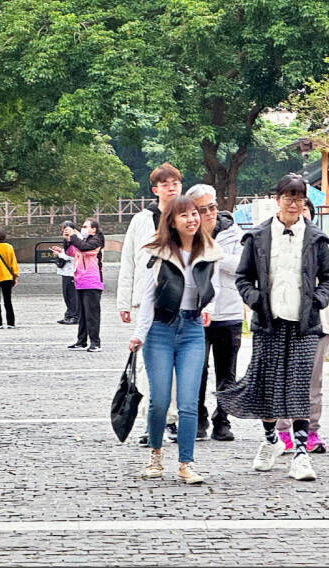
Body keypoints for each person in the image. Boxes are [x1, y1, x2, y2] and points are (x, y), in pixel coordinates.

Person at [218, 173, 329, 481]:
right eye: (289, 197)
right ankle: (271, 440)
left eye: (300, 198)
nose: (294, 204)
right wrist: (255, 299)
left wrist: (317, 301)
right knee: (267, 387)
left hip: (304, 324)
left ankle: (300, 453)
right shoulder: (257, 237)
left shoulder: (315, 237)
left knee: (299, 388)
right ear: (277, 199)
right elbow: (243, 277)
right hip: (268, 323)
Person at [128, 195, 223, 484]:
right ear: (171, 221)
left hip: (192, 330)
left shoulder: (209, 250)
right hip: (160, 329)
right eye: (184, 215)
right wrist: (139, 334)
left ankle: (186, 463)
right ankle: (155, 455)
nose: (192, 219)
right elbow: (147, 296)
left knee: (188, 402)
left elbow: (214, 286)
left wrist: (209, 310)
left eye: (195, 213)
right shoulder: (157, 252)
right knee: (158, 400)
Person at [276, 198, 329, 454]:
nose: (300, 213)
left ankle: (310, 432)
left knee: (312, 383)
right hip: (283, 322)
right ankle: (284, 431)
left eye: (305, 209)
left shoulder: (327, 246)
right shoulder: (278, 242)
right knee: (283, 379)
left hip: (318, 323)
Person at [117, 162, 183, 445]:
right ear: (155, 190)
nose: (172, 188)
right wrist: (124, 300)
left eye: (176, 183)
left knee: (177, 365)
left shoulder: (186, 216)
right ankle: (150, 419)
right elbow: (129, 260)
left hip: (178, 300)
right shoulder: (140, 220)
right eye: (166, 184)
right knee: (147, 365)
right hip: (144, 299)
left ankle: (171, 419)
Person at [185, 183, 243, 442]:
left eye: (212, 207)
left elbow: (243, 266)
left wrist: (216, 254)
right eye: (202, 209)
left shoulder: (234, 233)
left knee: (226, 371)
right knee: (197, 368)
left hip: (229, 311)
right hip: (197, 311)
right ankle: (198, 418)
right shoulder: (185, 236)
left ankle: (223, 419)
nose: (209, 214)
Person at [63, 218, 105, 352]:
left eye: (86, 226)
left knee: (92, 314)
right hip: (80, 280)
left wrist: (74, 236)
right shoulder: (83, 240)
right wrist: (67, 239)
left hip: (92, 281)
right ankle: (81, 340)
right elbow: (71, 252)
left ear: (94, 229)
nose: (84, 228)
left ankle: (95, 342)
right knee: (82, 313)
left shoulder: (97, 241)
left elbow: (83, 248)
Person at [52, 221, 79, 325]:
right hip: (66, 271)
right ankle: (69, 314)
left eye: (65, 229)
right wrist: (61, 251)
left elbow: (73, 255)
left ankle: (74, 316)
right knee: (67, 294)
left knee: (72, 295)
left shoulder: (76, 239)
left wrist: (59, 254)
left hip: (72, 271)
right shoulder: (68, 240)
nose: (64, 232)